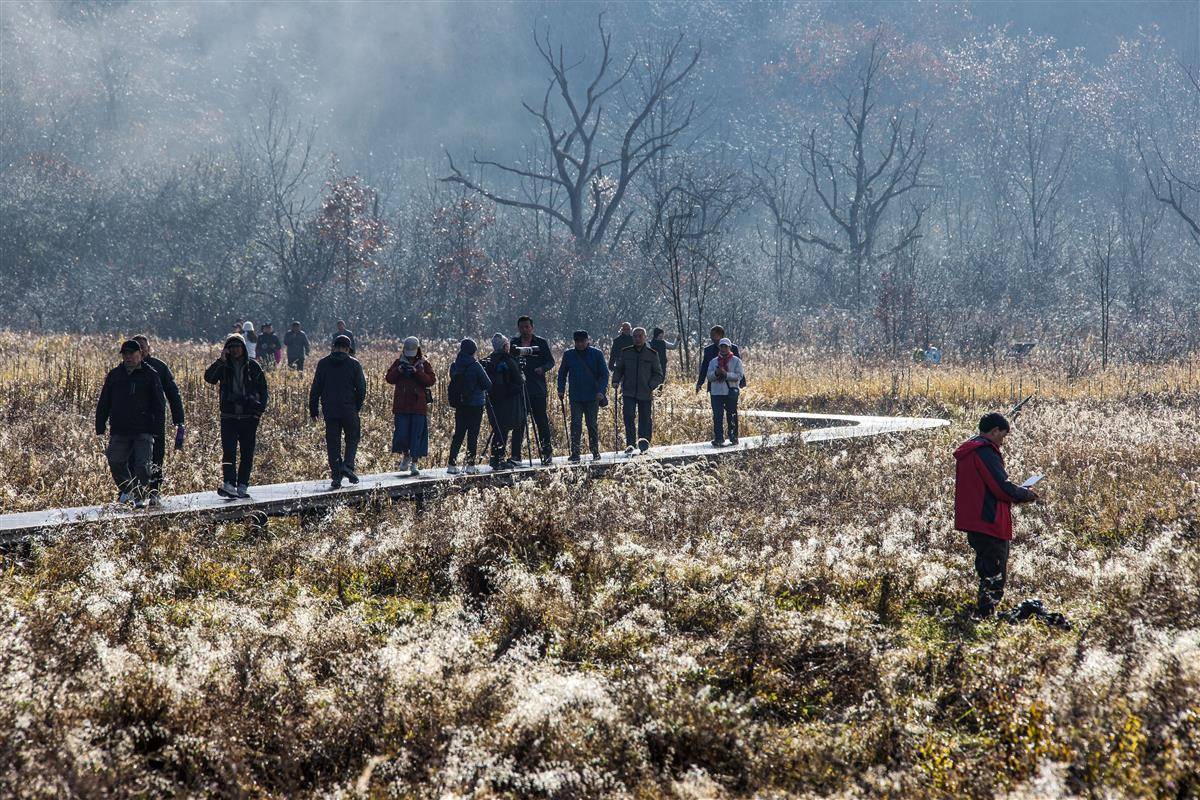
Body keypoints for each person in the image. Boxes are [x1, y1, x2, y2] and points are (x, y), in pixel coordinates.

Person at [954, 412, 1041, 619]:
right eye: (1002, 436)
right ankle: (985, 617)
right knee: (994, 574)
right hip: (989, 521)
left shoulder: (970, 449)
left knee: (986, 570)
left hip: (975, 521)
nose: (1002, 442)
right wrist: (1025, 494)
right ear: (994, 431)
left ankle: (983, 614)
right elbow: (1001, 487)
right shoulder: (985, 452)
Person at [96, 340, 166, 508]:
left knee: (142, 465)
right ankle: (129, 489)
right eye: (125, 354)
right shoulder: (115, 375)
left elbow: (159, 404)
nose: (128, 357)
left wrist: (158, 428)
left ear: (140, 354)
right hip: (120, 428)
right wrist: (100, 424)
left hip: (144, 428)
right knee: (115, 461)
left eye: (131, 354)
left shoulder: (151, 375)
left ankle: (140, 496)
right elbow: (104, 401)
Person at [203, 333, 269, 498]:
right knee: (229, 452)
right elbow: (209, 378)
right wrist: (221, 361)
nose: (235, 350)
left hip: (249, 417)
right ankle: (229, 483)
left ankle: (243, 484)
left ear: (243, 348)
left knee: (247, 453)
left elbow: (264, 391)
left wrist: (258, 413)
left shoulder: (253, 366)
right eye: (231, 347)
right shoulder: (224, 366)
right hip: (229, 417)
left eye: (237, 346)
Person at [128, 334, 185, 506]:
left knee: (157, 457)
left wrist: (179, 420)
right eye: (137, 347)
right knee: (132, 458)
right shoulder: (126, 368)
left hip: (156, 421)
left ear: (149, 349)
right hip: (133, 422)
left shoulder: (160, 367)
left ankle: (154, 491)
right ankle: (134, 492)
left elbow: (173, 394)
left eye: (143, 347)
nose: (141, 350)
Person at [309, 334, 367, 489]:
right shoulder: (354, 364)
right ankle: (348, 465)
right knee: (353, 437)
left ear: (333, 347)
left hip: (330, 410)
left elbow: (316, 387)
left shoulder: (323, 364)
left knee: (333, 443)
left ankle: (336, 477)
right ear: (348, 349)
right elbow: (361, 388)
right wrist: (357, 406)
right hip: (349, 408)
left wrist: (313, 408)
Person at [385, 336, 435, 476]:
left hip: (418, 406)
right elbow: (389, 378)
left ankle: (414, 462)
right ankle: (405, 456)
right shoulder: (398, 362)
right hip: (401, 406)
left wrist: (417, 372)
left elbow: (431, 380)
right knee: (402, 434)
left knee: (417, 435)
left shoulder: (424, 364)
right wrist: (399, 370)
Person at [557, 330, 609, 463]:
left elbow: (604, 374)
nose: (580, 344)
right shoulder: (568, 355)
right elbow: (562, 373)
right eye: (577, 341)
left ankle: (595, 452)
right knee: (575, 425)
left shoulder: (597, 354)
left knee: (592, 425)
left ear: (587, 340)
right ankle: (575, 453)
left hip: (593, 396)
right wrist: (561, 389)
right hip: (575, 396)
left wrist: (601, 391)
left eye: (582, 341)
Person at [612, 326, 664, 454]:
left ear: (645, 338)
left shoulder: (652, 354)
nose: (637, 338)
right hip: (628, 391)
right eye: (635, 336)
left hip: (645, 392)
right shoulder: (626, 352)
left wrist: (650, 385)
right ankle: (630, 443)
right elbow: (619, 369)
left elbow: (658, 374)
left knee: (645, 418)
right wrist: (615, 380)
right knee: (628, 416)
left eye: (640, 336)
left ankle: (643, 442)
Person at [513, 315, 556, 465]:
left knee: (541, 422)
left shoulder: (541, 343)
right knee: (519, 423)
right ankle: (516, 456)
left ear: (532, 327)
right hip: (520, 390)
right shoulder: (514, 343)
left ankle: (547, 453)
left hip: (537, 389)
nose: (524, 329)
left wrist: (542, 369)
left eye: (527, 327)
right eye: (522, 327)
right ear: (518, 328)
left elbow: (551, 361)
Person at [446, 338, 492, 474]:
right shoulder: (475, 365)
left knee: (459, 434)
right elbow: (488, 384)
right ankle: (470, 465)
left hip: (460, 404)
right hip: (475, 404)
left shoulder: (455, 365)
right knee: (473, 434)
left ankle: (451, 464)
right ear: (473, 350)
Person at [482, 333, 525, 470]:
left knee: (498, 429)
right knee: (504, 429)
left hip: (492, 401)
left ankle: (496, 459)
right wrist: (522, 377)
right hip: (508, 401)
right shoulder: (508, 360)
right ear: (505, 346)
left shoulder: (488, 361)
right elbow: (518, 380)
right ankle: (498, 459)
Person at [707, 337, 744, 447]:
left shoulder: (736, 361)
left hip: (730, 392)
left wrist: (726, 374)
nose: (723, 348)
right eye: (721, 346)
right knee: (717, 416)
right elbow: (709, 376)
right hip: (716, 392)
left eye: (725, 346)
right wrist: (717, 374)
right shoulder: (713, 362)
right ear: (719, 347)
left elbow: (739, 376)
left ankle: (733, 437)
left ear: (729, 348)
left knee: (731, 415)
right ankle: (718, 438)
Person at [695, 325, 742, 393]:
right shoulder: (708, 350)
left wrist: (742, 382)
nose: (711, 337)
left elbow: (738, 367)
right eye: (711, 335)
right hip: (714, 387)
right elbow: (704, 368)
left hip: (731, 386)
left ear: (721, 335)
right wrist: (699, 383)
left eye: (713, 335)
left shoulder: (733, 348)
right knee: (715, 403)